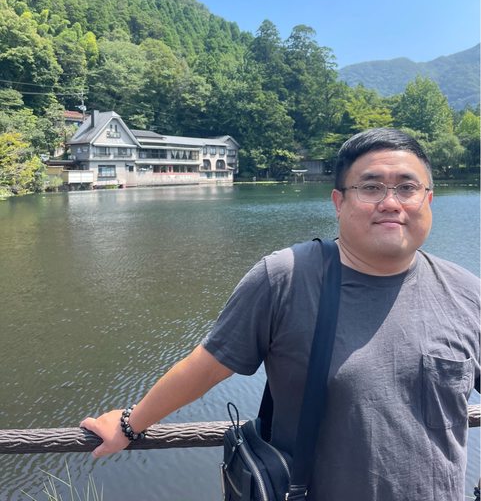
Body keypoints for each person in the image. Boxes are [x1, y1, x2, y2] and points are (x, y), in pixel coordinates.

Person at [80, 128, 480, 501]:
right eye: (371, 187)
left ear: (428, 200)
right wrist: (130, 423)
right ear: (339, 202)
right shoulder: (286, 278)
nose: (390, 203)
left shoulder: (465, 292)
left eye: (407, 188)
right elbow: (208, 366)